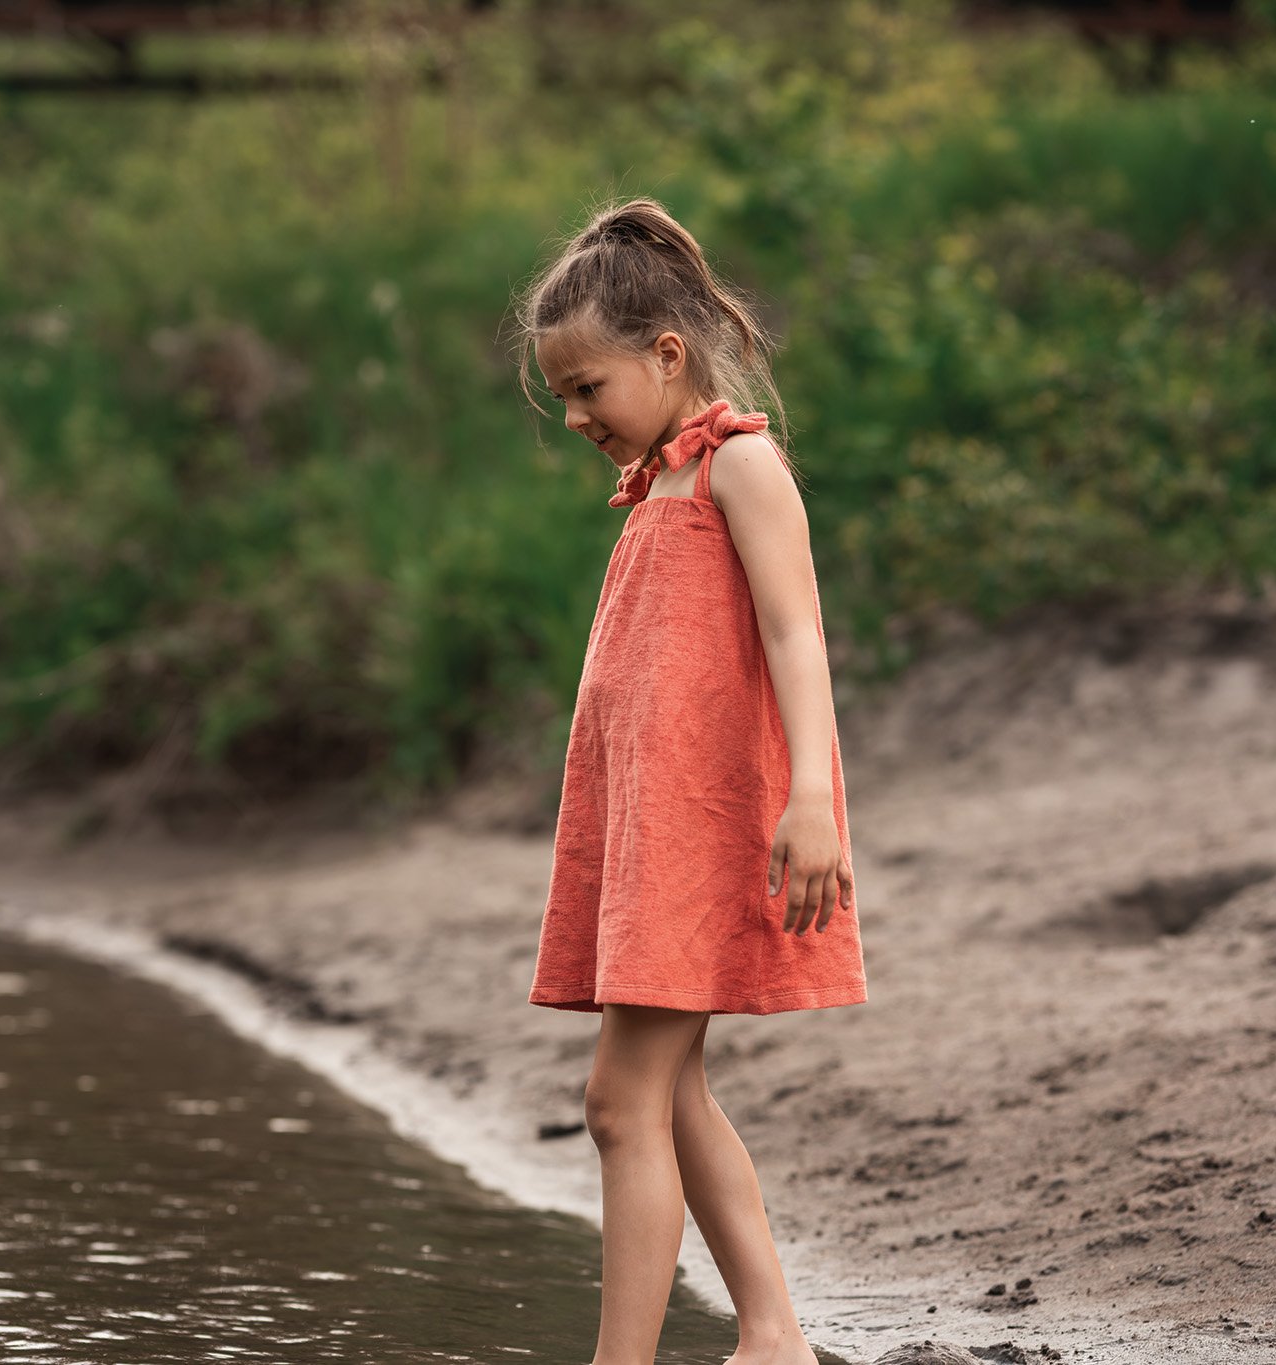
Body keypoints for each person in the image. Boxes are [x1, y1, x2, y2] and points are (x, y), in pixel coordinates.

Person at [512, 197, 867, 1365]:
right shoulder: (656, 487)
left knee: (621, 1102)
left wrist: (810, 797)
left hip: (707, 832)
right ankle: (772, 1336)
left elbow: (798, 634)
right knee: (667, 1094)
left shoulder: (742, 467)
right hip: (651, 834)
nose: (572, 417)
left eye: (587, 389)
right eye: (560, 396)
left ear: (667, 356)